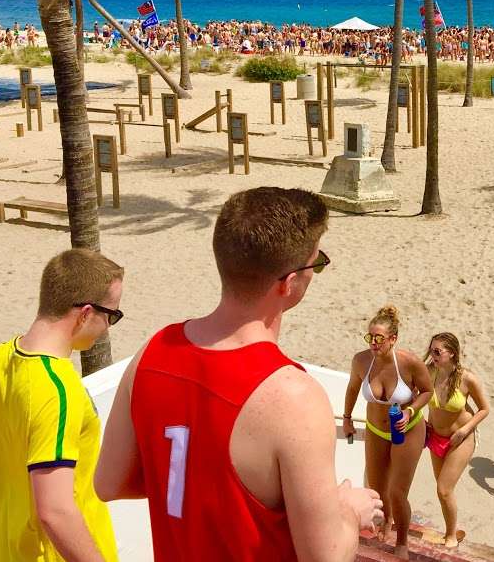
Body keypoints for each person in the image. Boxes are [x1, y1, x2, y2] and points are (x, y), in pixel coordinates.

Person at [95, 188, 383, 562]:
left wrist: (203, 489)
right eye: (318, 263)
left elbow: (109, 483)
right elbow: (325, 557)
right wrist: (348, 510)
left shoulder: (152, 353)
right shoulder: (293, 397)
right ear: (289, 282)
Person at [0, 249, 124, 562]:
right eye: (111, 315)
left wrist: (3, 515)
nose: (108, 326)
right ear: (85, 314)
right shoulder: (58, 390)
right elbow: (54, 511)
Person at [342, 306, 431, 559]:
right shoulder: (361, 360)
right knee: (378, 489)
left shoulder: (409, 362)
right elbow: (351, 389)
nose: (373, 343)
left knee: (398, 492)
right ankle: (387, 519)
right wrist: (347, 418)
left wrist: (410, 412)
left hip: (409, 430)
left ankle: (402, 541)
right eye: (370, 337)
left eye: (379, 338)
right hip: (376, 430)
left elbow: (427, 392)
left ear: (393, 338)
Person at [422, 333, 490, 548]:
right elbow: (417, 395)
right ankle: (450, 529)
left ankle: (451, 535)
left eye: (437, 351)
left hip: (461, 438)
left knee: (444, 489)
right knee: (441, 491)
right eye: (431, 350)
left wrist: (466, 429)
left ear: (451, 353)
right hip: (435, 435)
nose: (432, 355)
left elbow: (485, 409)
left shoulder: (466, 378)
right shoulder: (429, 372)